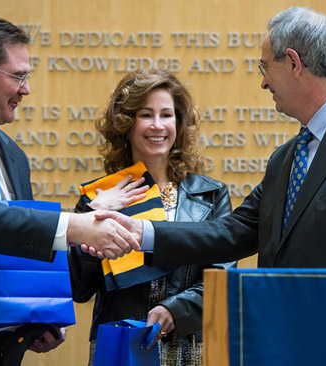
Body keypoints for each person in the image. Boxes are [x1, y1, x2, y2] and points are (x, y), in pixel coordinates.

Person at [91, 7, 326, 270]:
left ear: (294, 63)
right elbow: (233, 233)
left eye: (265, 67)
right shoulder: (287, 158)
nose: (263, 81)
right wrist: (141, 230)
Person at [0, 14, 137, 366]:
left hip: (1, 352)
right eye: (17, 76)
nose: (26, 89)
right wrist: (74, 225)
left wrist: (37, 317)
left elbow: (14, 245)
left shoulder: (11, 154)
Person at [69, 68, 233, 365]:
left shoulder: (212, 195)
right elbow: (78, 289)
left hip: (185, 345)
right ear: (127, 124)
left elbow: (221, 278)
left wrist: (174, 310)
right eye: (146, 115)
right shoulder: (100, 197)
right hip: (121, 343)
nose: (158, 125)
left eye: (166, 115)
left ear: (178, 123)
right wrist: (93, 216)